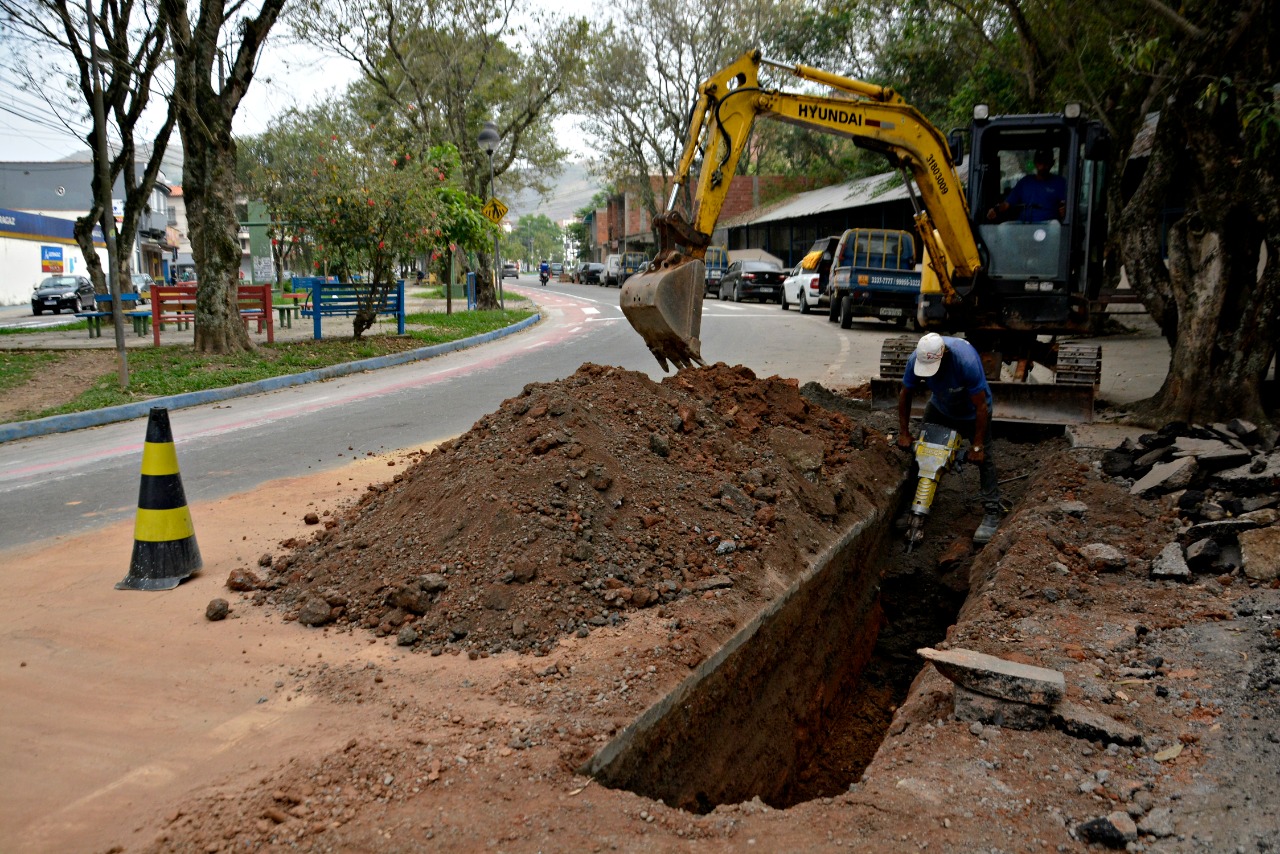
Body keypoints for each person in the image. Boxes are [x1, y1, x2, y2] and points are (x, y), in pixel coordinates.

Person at [896, 333, 1003, 544]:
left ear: (943, 355)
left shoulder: (966, 361)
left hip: (973, 412)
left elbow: (981, 405)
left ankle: (992, 512)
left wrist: (977, 446)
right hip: (941, 407)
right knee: (921, 452)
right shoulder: (915, 359)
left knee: (985, 460)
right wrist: (904, 433)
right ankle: (912, 505)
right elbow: (905, 393)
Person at [986, 148, 1066, 223]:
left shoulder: (1060, 183)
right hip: (1024, 224)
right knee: (1004, 228)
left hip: (1049, 224)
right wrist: (996, 209)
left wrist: (1064, 210)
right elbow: (1007, 204)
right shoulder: (1025, 182)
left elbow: (1066, 205)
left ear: (1052, 163)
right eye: (1040, 161)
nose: (1042, 165)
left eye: (1046, 162)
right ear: (1035, 162)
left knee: (1055, 225)